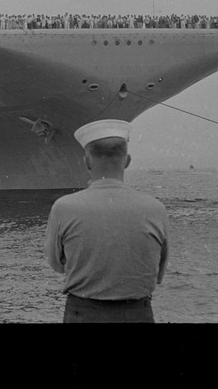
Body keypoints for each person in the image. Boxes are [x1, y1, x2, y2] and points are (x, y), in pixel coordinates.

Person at [44, 119, 169, 323]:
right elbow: (159, 272)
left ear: (86, 161)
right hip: (137, 313)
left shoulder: (63, 207)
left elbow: (56, 263)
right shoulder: (156, 209)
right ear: (127, 161)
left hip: (82, 314)